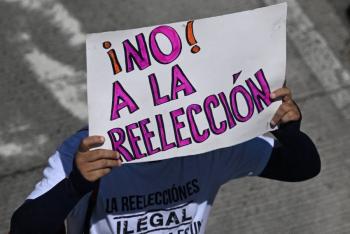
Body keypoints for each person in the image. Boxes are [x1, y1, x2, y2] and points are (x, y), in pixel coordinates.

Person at [9, 87, 321, 234]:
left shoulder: (211, 146)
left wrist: (289, 133)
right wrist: (75, 184)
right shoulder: (87, 151)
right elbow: (25, 228)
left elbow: (302, 167)